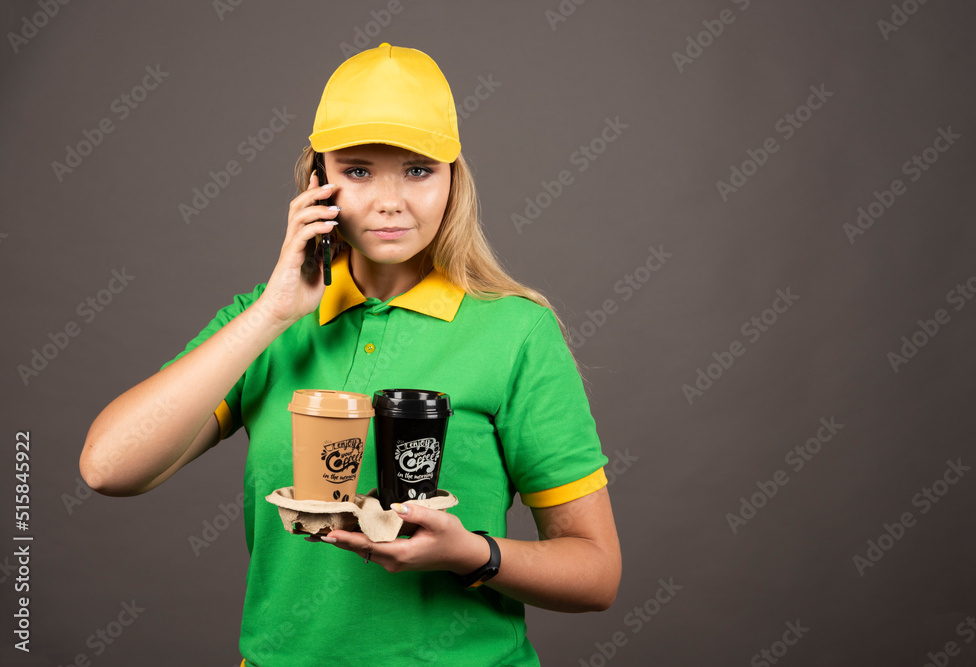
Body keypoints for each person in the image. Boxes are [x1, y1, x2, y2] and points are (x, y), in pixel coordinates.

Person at [81, 42, 620, 666]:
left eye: (418, 169)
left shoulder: (516, 332)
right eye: (358, 170)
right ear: (318, 179)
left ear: (454, 180)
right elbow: (108, 468)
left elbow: (596, 572)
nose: (389, 201)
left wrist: (472, 553)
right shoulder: (266, 322)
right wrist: (274, 313)